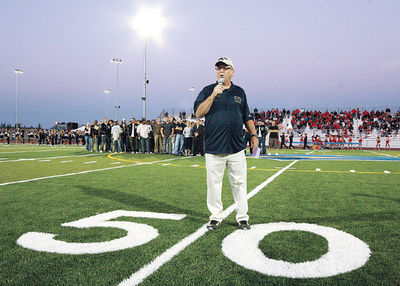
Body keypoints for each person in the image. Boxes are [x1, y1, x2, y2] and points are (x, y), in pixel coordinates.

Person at [194, 57, 258, 231]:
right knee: (214, 184)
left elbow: (247, 116)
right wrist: (214, 94)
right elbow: (199, 113)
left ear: (232, 71)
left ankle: (242, 217)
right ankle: (215, 217)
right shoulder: (208, 90)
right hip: (214, 147)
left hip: (236, 146)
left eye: (225, 68)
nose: (221, 71)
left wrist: (253, 134)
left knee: (239, 183)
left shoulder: (240, 92)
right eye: (218, 68)